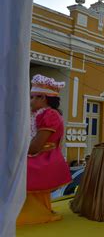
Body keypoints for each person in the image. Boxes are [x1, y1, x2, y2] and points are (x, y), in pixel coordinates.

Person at [17, 74, 72, 225]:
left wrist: (12, 151)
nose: (30, 102)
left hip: (44, 158)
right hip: (39, 156)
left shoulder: (50, 115)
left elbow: (35, 147)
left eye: (33, 97)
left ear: (43, 98)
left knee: (16, 168)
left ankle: (33, 212)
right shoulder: (38, 114)